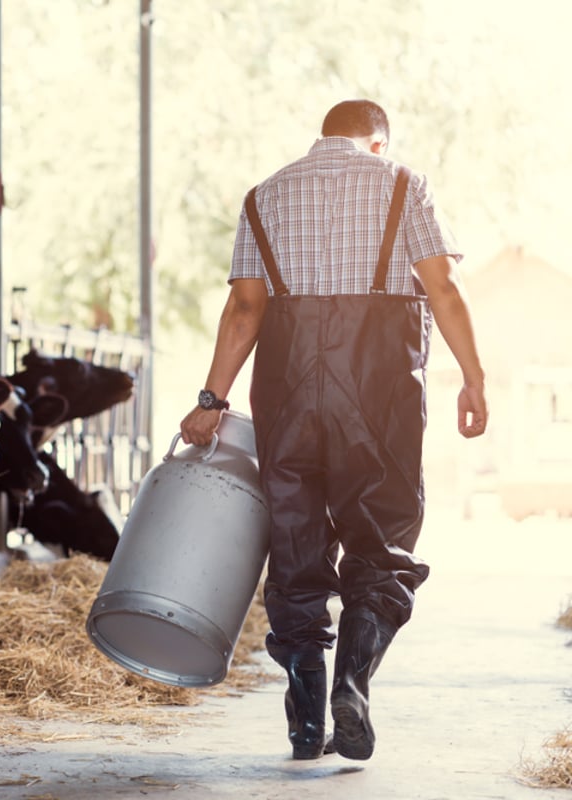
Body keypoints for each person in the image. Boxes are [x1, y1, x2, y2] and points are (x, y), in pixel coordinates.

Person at [179, 99, 488, 762]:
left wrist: (212, 398)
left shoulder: (265, 196)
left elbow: (244, 308)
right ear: (378, 143)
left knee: (295, 545)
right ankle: (352, 682)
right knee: (381, 540)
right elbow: (445, 289)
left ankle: (303, 717)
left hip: (286, 392)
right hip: (379, 393)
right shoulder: (405, 183)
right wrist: (474, 377)